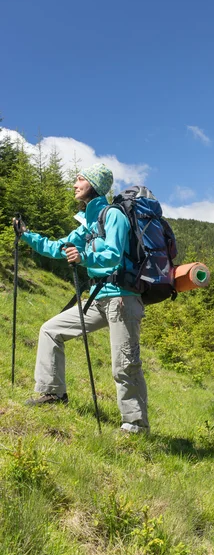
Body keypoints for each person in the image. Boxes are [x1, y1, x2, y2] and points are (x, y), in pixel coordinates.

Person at [14, 162, 149, 434]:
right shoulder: (88, 221)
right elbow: (60, 248)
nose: (74, 184)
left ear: (94, 185)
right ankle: (53, 393)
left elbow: (113, 253)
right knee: (50, 330)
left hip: (122, 299)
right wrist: (27, 236)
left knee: (124, 364)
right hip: (99, 298)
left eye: (80, 179)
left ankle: (135, 426)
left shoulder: (113, 216)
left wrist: (85, 256)